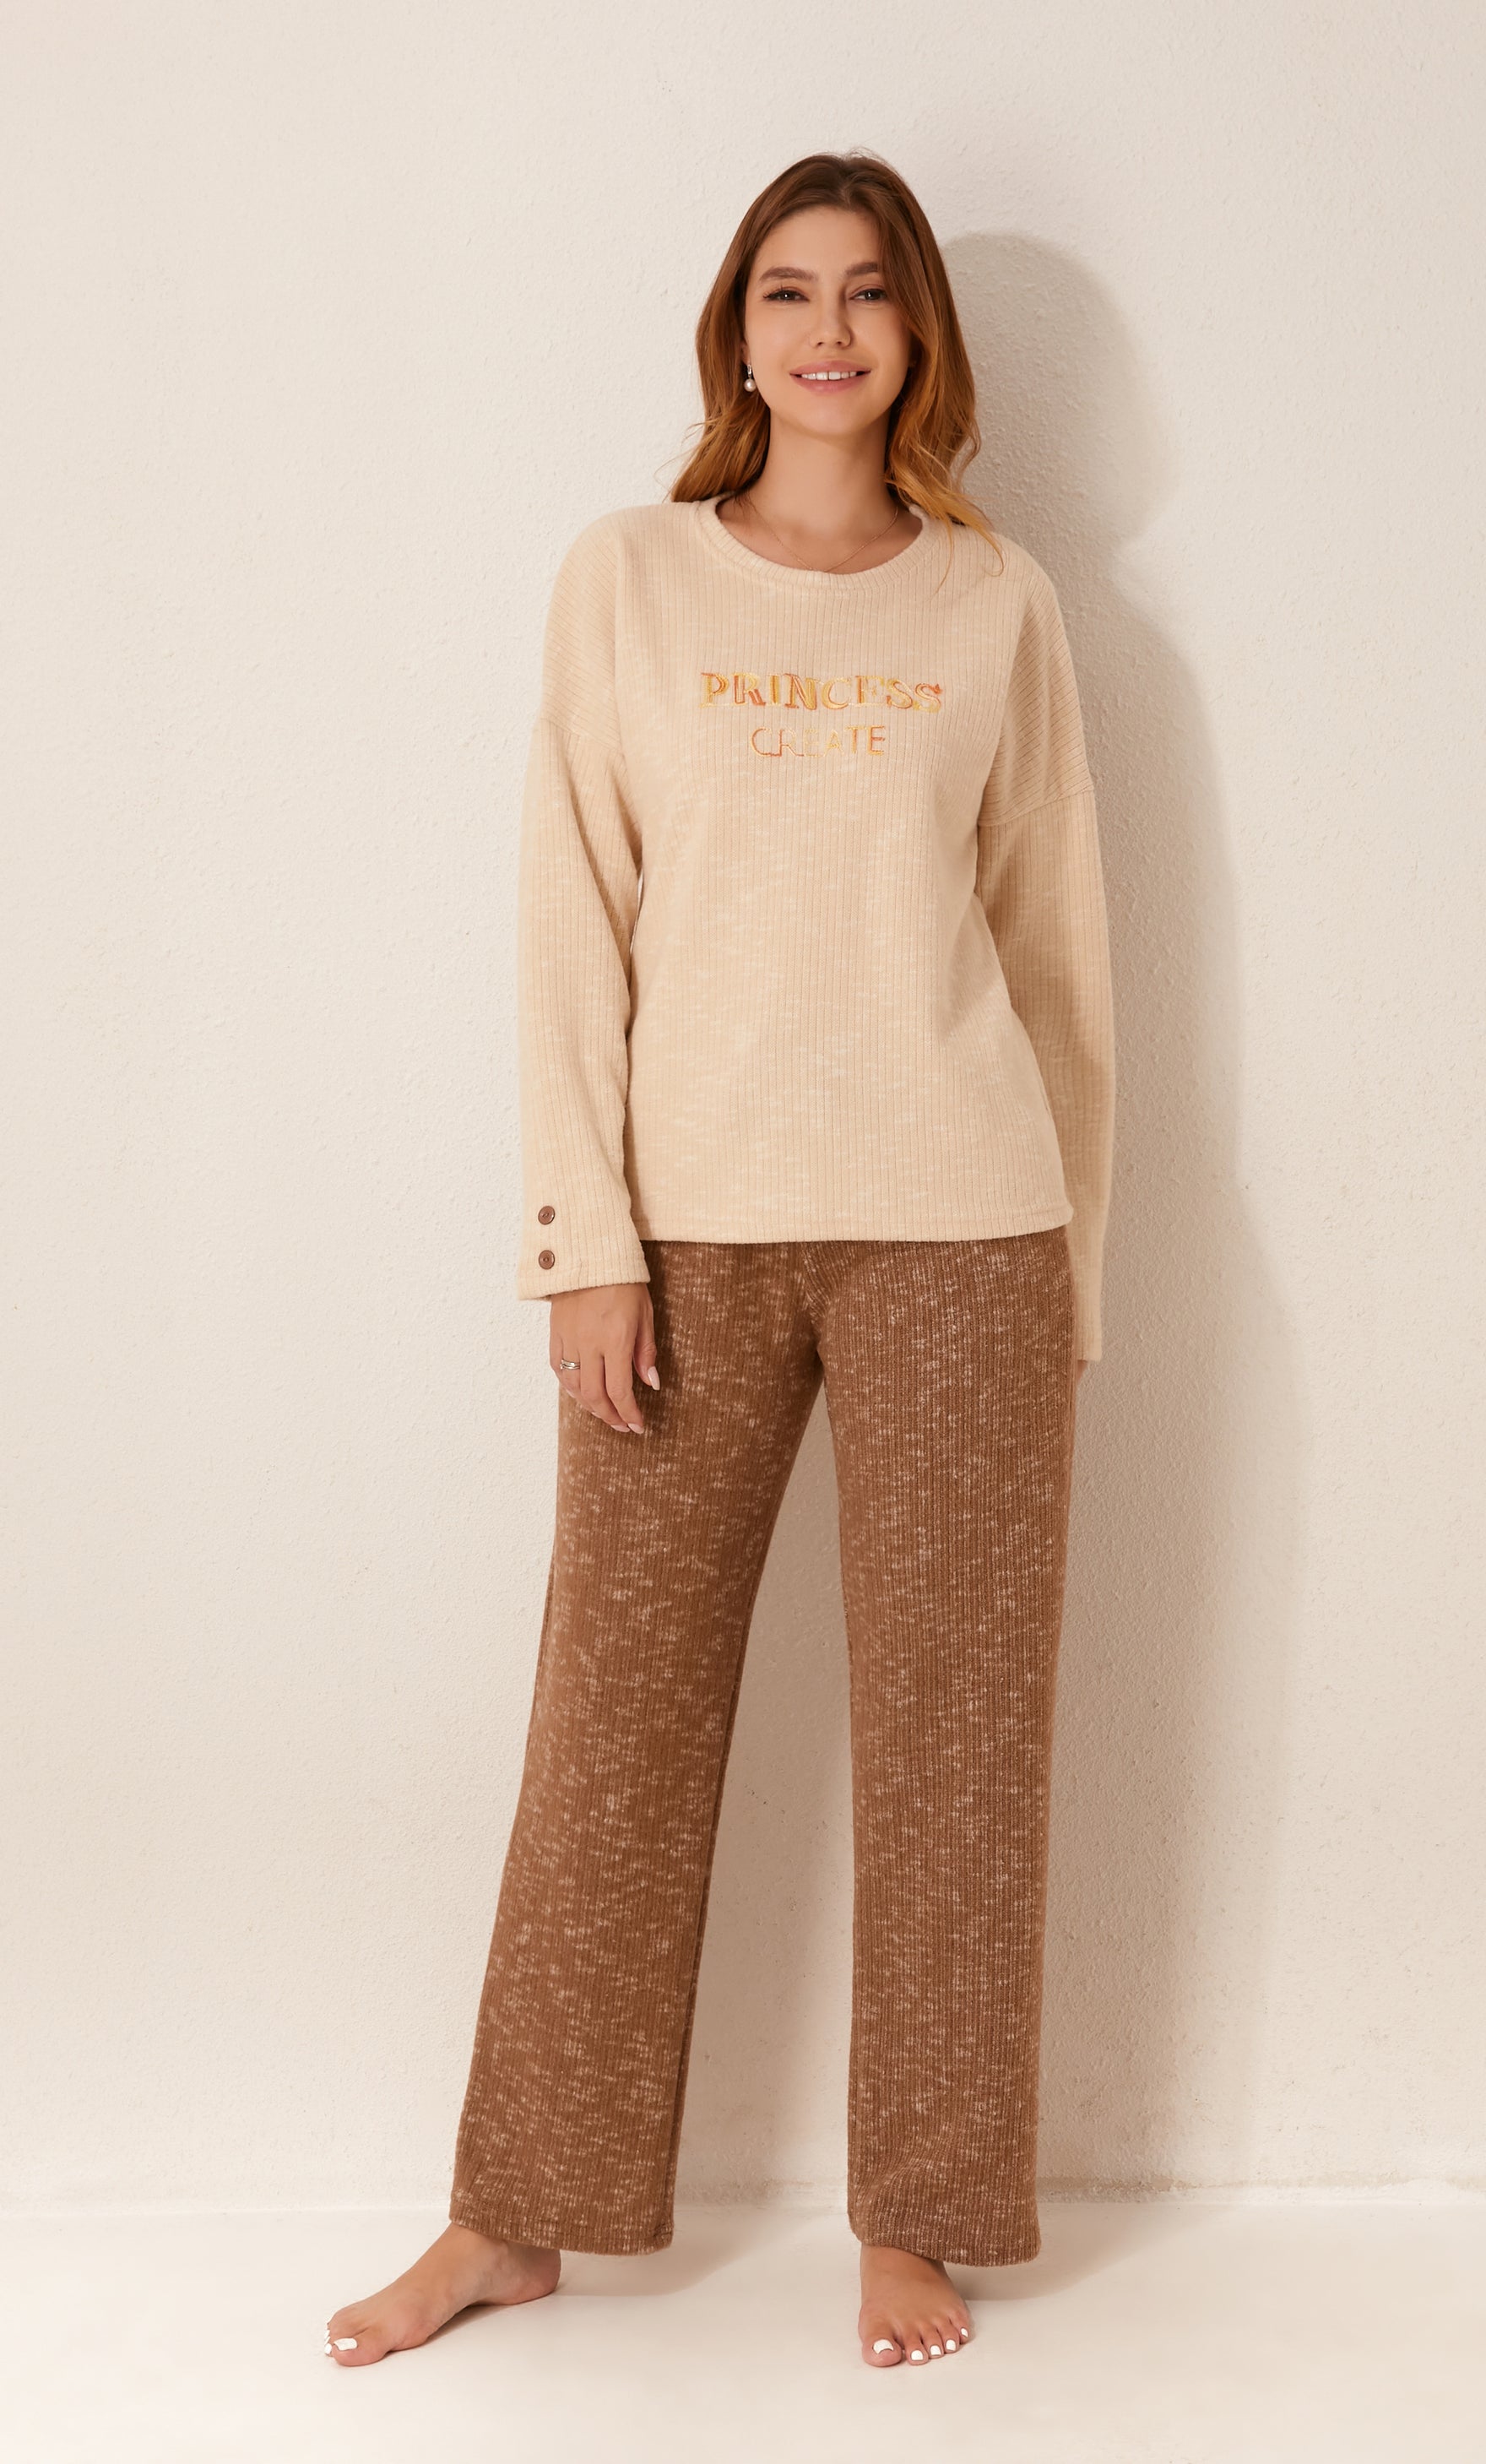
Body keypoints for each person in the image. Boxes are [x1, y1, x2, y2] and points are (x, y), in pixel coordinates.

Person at [326, 145, 1115, 2375]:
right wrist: (582, 1243)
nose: (828, 329)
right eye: (788, 290)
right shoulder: (628, 579)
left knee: (958, 1740)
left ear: (917, 332)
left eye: (868, 290)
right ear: (737, 333)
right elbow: (567, 915)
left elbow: (1061, 962)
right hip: (682, 1238)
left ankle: (920, 2218)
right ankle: (514, 2215)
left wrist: (1078, 1275)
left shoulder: (994, 603)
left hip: (964, 1226)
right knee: (614, 1721)